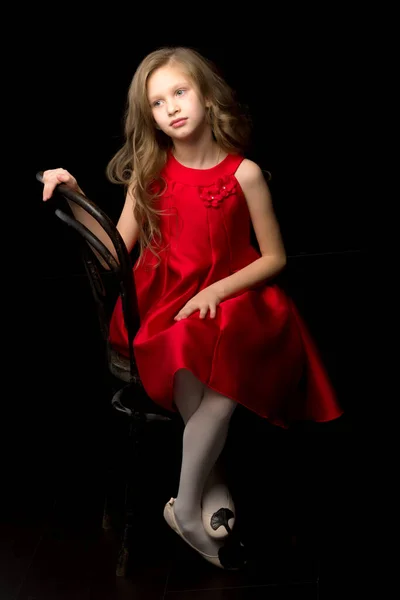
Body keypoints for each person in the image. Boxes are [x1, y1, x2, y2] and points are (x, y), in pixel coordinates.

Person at [41, 46, 343, 569]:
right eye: (158, 103)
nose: (172, 108)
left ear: (205, 95)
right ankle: (211, 492)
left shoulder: (243, 173)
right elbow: (116, 252)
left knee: (222, 375)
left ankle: (184, 510)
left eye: (180, 92)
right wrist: (73, 192)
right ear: (150, 116)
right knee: (184, 349)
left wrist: (215, 291)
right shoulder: (149, 174)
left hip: (240, 300)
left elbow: (275, 257)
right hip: (170, 304)